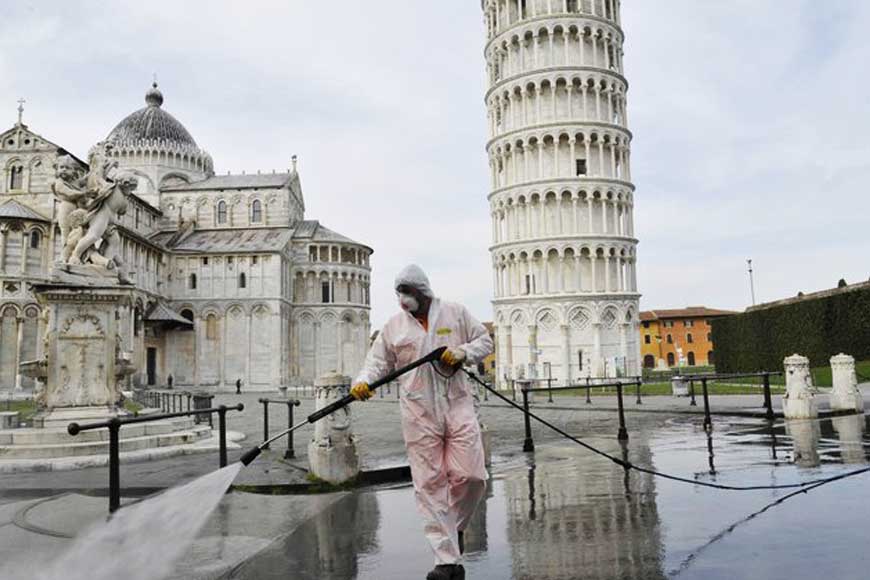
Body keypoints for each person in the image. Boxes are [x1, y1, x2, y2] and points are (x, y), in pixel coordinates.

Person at [351, 265, 493, 580]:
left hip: (456, 404)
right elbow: (377, 363)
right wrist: (362, 382)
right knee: (429, 483)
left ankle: (453, 526)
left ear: (423, 291)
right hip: (418, 411)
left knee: (472, 476)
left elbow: (485, 342)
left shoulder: (454, 313)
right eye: (399, 292)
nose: (403, 299)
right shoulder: (394, 327)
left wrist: (462, 352)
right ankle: (446, 561)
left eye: (408, 292)